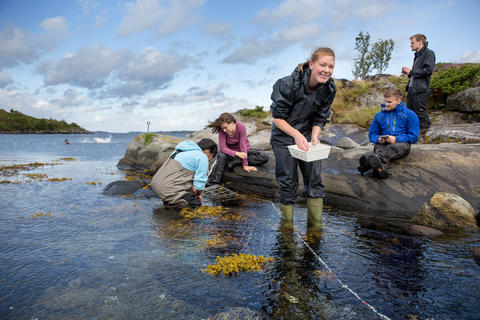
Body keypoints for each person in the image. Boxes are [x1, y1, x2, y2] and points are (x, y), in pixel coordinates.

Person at [270, 47, 336, 227]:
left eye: (331, 66)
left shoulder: (329, 88)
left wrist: (314, 135)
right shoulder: (286, 84)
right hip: (284, 138)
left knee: (315, 180)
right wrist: (296, 135)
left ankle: (315, 228)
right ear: (311, 64)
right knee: (288, 181)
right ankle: (287, 228)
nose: (327, 70)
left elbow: (320, 116)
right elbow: (277, 118)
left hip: (307, 136)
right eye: (323, 65)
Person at [357, 88, 420, 179]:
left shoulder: (410, 115)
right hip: (382, 145)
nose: (386, 104)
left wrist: (396, 139)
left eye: (390, 102)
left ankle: (368, 163)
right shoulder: (379, 115)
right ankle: (379, 169)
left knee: (394, 147)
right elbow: (372, 134)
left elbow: (414, 137)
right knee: (380, 148)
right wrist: (378, 139)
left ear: (399, 101)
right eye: (386, 101)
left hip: (401, 144)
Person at [151, 138, 217, 207]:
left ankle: (170, 202)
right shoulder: (202, 156)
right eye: (211, 157)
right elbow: (200, 182)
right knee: (195, 204)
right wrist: (198, 194)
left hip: (155, 185)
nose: (209, 160)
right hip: (167, 189)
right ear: (207, 151)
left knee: (186, 193)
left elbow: (179, 175)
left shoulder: (179, 151)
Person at [206, 112, 268, 185]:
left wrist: (245, 164)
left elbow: (243, 145)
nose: (224, 130)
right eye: (222, 128)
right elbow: (223, 148)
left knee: (264, 157)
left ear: (232, 122)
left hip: (243, 151)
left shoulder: (241, 126)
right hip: (231, 153)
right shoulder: (222, 131)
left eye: (226, 127)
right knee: (221, 156)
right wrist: (236, 153)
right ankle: (214, 182)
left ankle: (236, 162)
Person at [401, 33, 435, 130]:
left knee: (420, 114)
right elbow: (416, 74)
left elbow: (428, 70)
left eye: (412, 43)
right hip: (412, 90)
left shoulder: (429, 53)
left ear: (420, 42)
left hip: (420, 90)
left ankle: (425, 137)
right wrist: (408, 74)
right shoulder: (417, 56)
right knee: (411, 114)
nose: (410, 45)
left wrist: (411, 71)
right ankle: (414, 136)